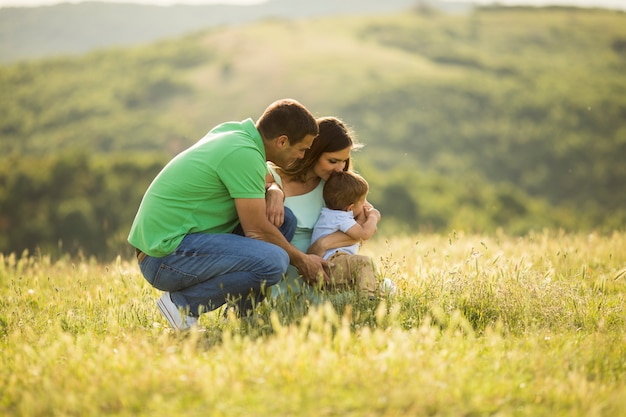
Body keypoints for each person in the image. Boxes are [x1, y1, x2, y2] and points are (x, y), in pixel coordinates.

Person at [128, 99, 329, 330]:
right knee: (276, 261)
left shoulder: (238, 134)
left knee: (285, 220)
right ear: (282, 141)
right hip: (163, 257)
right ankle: (183, 306)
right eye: (302, 149)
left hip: (181, 244)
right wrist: (303, 261)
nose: (303, 157)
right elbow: (256, 230)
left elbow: (266, 179)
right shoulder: (243, 153)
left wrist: (274, 191)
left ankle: (238, 317)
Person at [266, 116, 381, 299]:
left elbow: (368, 220)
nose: (340, 168)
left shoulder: (337, 189)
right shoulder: (273, 176)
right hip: (285, 269)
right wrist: (274, 190)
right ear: (312, 153)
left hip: (325, 270)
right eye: (333, 161)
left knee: (362, 295)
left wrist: (322, 244)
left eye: (344, 161)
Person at [310, 170, 381, 298]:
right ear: (350, 208)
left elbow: (359, 227)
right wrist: (374, 216)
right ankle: (367, 297)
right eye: (363, 202)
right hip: (332, 263)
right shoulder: (340, 218)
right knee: (364, 263)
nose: (365, 205)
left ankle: (364, 293)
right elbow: (364, 233)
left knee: (362, 279)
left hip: (330, 264)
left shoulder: (331, 214)